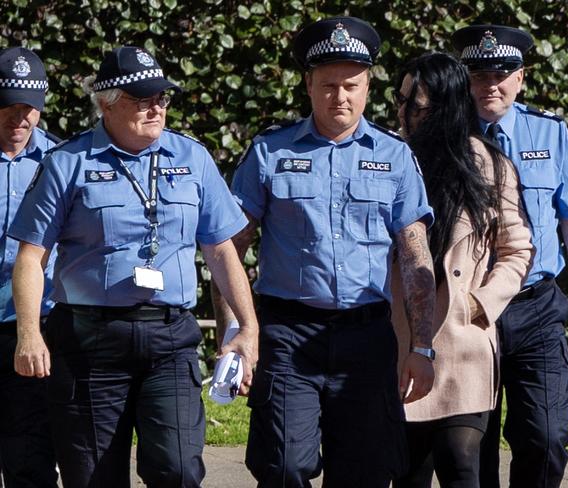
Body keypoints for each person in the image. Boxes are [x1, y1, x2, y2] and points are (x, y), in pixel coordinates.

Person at [9, 46, 259, 487]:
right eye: (142, 98)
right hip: (90, 343)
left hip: (169, 338)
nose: (156, 107)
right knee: (93, 477)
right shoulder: (67, 163)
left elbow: (222, 250)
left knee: (179, 469)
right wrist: (29, 333)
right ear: (107, 102)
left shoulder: (192, 158)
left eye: (162, 97)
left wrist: (247, 328)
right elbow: (32, 257)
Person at [212, 16, 436, 488]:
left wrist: (421, 345)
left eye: (351, 85)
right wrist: (235, 332)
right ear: (308, 86)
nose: (340, 96)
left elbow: (416, 258)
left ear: (368, 88)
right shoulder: (269, 153)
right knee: (284, 465)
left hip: (367, 336)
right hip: (288, 335)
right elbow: (229, 250)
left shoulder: (395, 157)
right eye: (328, 84)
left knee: (365, 472)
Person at [451, 25, 568, 488]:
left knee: (546, 437)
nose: (490, 85)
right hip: (469, 309)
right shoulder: (447, 137)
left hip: (534, 306)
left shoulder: (551, 134)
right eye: (478, 74)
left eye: (502, 73)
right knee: (469, 448)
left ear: (521, 78)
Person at [389, 52, 533, 488]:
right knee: (409, 471)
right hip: (400, 341)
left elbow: (517, 249)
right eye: (401, 101)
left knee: (461, 462)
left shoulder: (489, 165)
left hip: (463, 338)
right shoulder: (388, 158)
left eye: (417, 105)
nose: (404, 113)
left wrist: (480, 303)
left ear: (447, 105)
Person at [0, 46, 59, 488]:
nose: (20, 119)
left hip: (35, 326)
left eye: (30, 109)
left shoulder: (61, 162)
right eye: (8, 106)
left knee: (30, 453)